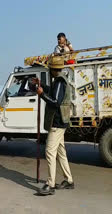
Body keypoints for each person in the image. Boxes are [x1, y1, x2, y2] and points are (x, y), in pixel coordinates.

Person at [32, 56, 74, 196]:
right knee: (61, 153)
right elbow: (53, 92)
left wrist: (41, 94)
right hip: (61, 122)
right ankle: (68, 180)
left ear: (53, 69)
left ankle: (50, 184)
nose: (49, 70)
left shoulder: (60, 82)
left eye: (49, 68)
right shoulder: (60, 80)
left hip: (57, 123)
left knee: (50, 152)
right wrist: (42, 86)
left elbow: (55, 101)